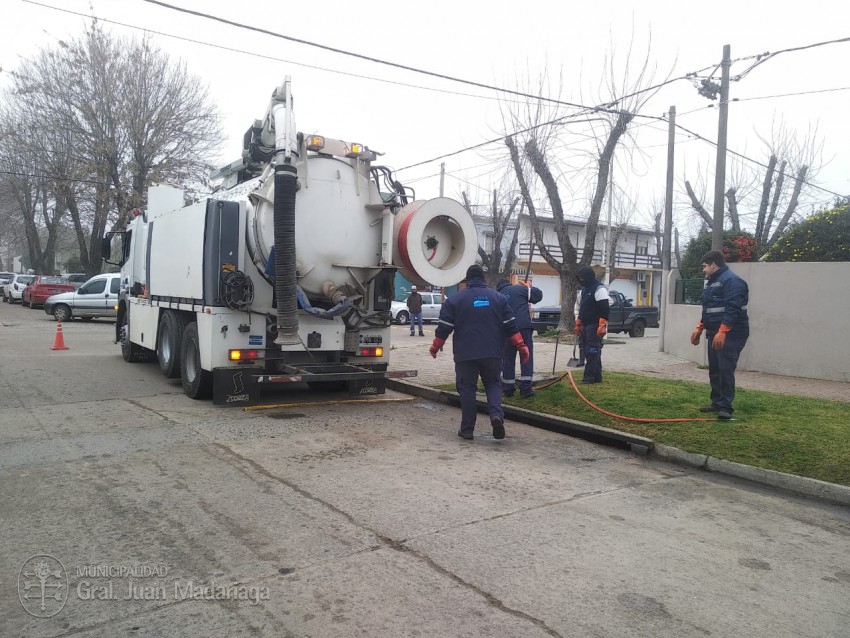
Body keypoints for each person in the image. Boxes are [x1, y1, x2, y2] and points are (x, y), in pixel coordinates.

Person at [430, 265, 529, 440]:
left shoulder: (455, 300)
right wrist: (522, 346)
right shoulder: (498, 298)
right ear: (484, 279)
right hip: (492, 353)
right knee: (493, 384)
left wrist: (435, 347)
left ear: (467, 280)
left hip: (465, 354)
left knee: (467, 388)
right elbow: (510, 326)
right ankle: (496, 416)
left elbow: (444, 328)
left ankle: (467, 430)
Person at [690, 250, 749, 420]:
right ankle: (716, 402)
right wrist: (699, 328)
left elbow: (732, 309)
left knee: (725, 369)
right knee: (715, 369)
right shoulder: (711, 283)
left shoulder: (733, 281)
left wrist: (723, 331)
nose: (703, 270)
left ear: (713, 264)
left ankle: (726, 407)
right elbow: (709, 310)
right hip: (714, 332)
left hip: (732, 333)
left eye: (704, 266)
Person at [496, 278, 543, 398]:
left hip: (507, 329)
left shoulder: (497, 295)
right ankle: (526, 389)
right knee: (526, 356)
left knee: (508, 358)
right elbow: (538, 296)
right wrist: (529, 287)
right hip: (523, 327)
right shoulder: (520, 289)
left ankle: (508, 389)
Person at [574, 266, 609, 384]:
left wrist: (602, 325)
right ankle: (597, 377)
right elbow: (582, 307)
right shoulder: (584, 290)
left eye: (582, 279)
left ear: (588, 278)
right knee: (590, 351)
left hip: (595, 325)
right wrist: (578, 322)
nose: (580, 281)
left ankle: (588, 377)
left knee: (592, 351)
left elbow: (604, 308)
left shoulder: (599, 289)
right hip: (585, 324)